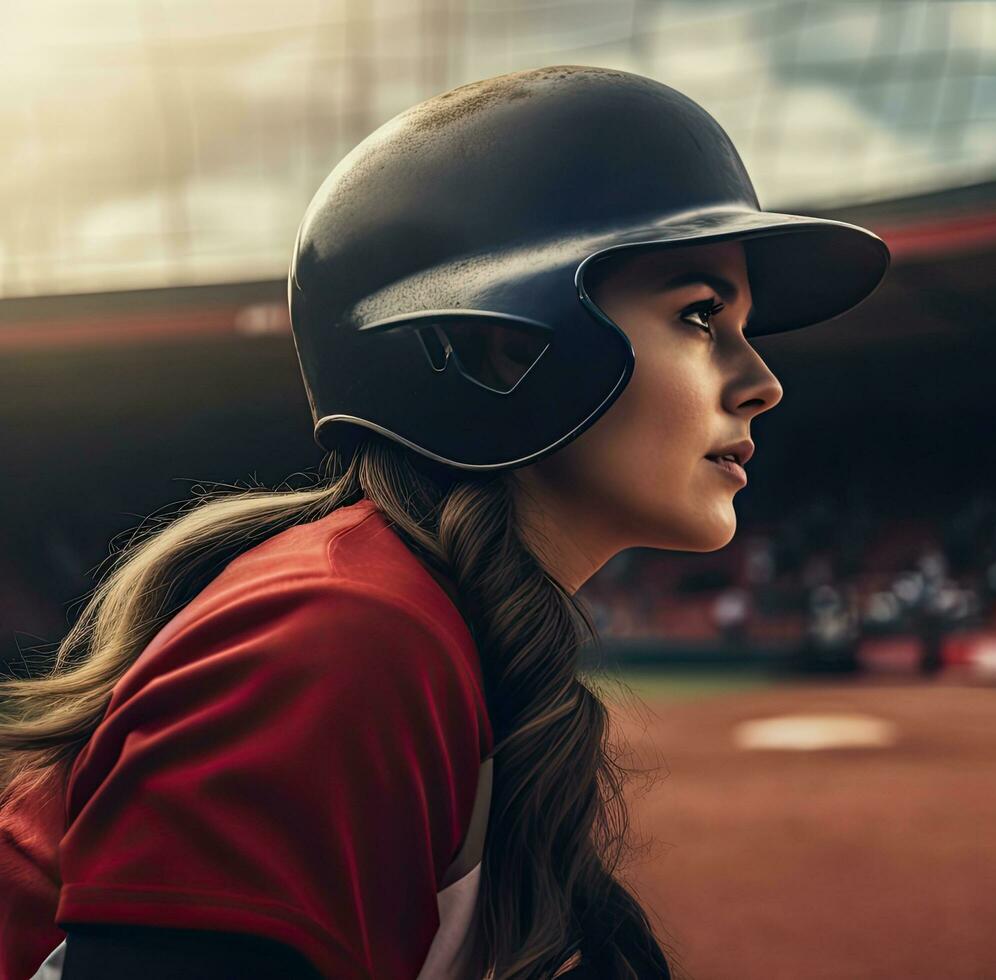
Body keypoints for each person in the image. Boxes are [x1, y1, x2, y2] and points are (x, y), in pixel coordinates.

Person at [0, 66, 888, 980]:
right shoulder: (335, 636)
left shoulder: (423, 621)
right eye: (701, 316)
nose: (762, 383)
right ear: (505, 343)